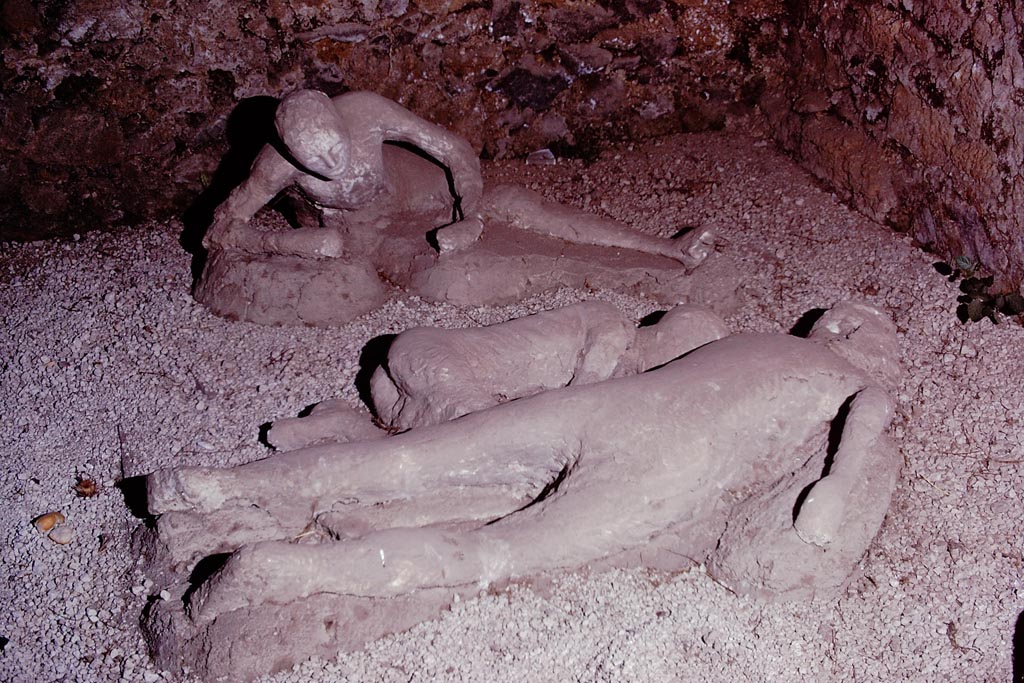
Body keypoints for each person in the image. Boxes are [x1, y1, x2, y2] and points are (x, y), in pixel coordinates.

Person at [144, 301, 902, 627]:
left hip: (615, 409)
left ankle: (216, 485)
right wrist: (835, 486)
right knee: (491, 553)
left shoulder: (762, 341)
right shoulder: (845, 381)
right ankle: (286, 570)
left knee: (415, 461)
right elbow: (868, 418)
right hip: (663, 472)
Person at [204, 89, 714, 267]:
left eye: (335, 151)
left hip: (428, 195)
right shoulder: (274, 166)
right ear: (290, 153)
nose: (331, 166)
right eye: (314, 163)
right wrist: (303, 246)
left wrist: (469, 209)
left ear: (339, 122)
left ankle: (668, 251)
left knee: (517, 202)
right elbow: (221, 230)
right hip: (373, 234)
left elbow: (452, 148)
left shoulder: (363, 110)